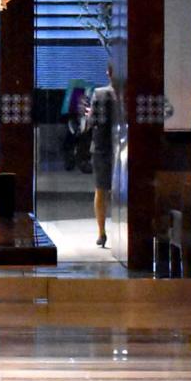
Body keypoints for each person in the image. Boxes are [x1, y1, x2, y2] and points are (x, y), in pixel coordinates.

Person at [88, 63, 121, 248]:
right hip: (123, 147)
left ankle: (101, 232)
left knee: (101, 190)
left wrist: (89, 115)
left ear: (108, 73)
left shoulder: (100, 94)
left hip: (102, 148)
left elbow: (94, 121)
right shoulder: (129, 95)